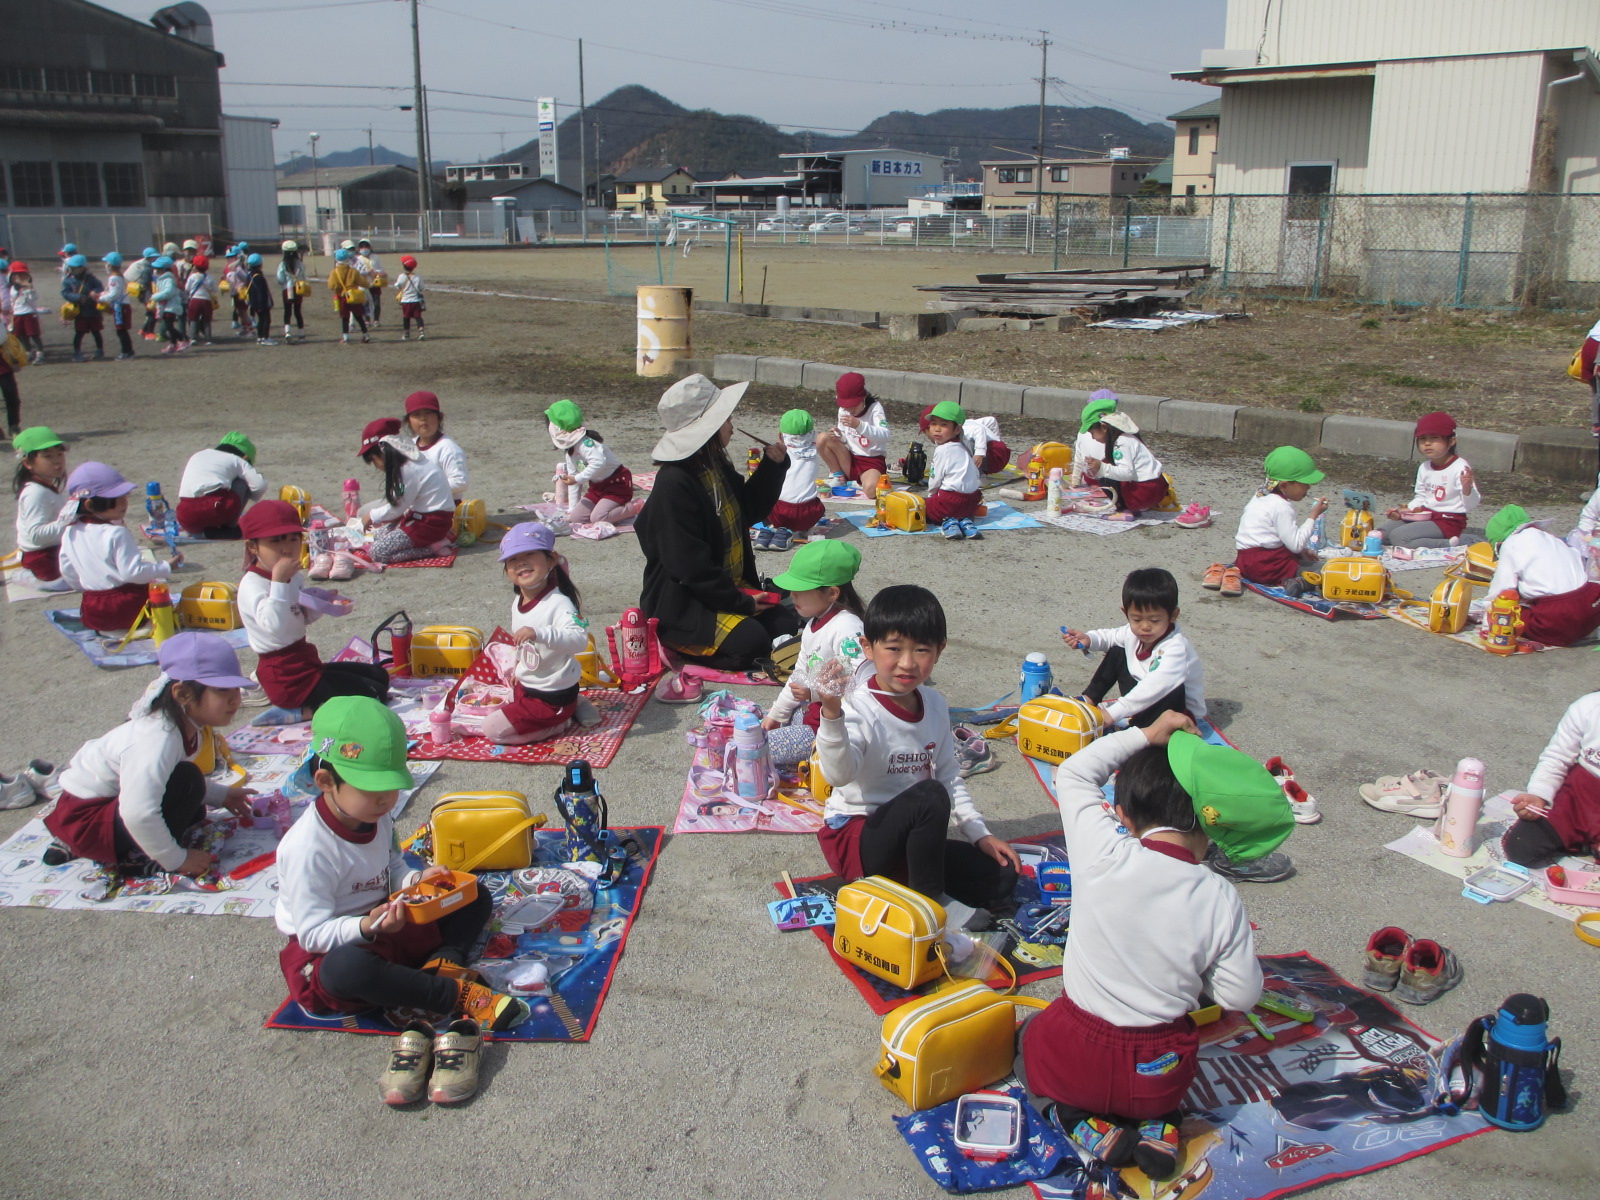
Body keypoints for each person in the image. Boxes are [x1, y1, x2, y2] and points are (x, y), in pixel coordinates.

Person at [1019, 710, 1287, 1179]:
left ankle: (1077, 1120)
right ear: (1210, 828)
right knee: (1159, 1075)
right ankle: (1161, 1124)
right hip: (1159, 1071)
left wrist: (1145, 733)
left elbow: (1075, 772)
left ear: (1121, 816)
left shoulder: (1104, 851)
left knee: (1025, 1043)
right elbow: (1241, 997)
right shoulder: (1220, 895)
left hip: (1076, 1053)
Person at [274, 697, 529, 1107]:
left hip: (388, 918)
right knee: (346, 969)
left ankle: (442, 961)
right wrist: (366, 926)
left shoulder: (375, 816)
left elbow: (391, 864)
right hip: (335, 945)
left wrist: (416, 879)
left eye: (392, 788)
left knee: (473, 894)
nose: (386, 800)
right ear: (326, 782)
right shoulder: (308, 849)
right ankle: (451, 994)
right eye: (372, 790)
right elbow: (313, 932)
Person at [813, 584, 1021, 947]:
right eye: (894, 649)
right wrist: (831, 714)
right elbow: (838, 775)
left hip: (912, 840)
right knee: (928, 796)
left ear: (939, 651)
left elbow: (950, 775)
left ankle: (903, 888)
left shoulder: (935, 704)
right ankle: (929, 904)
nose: (907, 663)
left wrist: (979, 833)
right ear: (868, 648)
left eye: (921, 650)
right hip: (858, 838)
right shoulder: (860, 707)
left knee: (1001, 876)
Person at [635, 374, 799, 699]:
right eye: (726, 420)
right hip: (687, 603)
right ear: (707, 428)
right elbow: (689, 566)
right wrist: (741, 603)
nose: (733, 426)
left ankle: (735, 629)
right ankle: (676, 646)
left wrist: (772, 466)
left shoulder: (713, 467)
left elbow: (746, 509)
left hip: (725, 590)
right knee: (752, 641)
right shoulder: (674, 485)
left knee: (784, 622)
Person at [42, 631, 255, 876]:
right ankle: (132, 857)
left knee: (192, 794)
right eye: (222, 690)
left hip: (105, 807)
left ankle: (106, 845)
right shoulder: (158, 738)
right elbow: (137, 813)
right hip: (86, 820)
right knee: (186, 783)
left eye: (236, 689)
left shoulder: (185, 724)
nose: (235, 700)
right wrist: (177, 859)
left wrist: (224, 795)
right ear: (183, 694)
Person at [237, 500, 391, 722]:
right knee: (373, 695)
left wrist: (321, 603)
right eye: (275, 541)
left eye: (293, 539)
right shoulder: (253, 584)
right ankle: (298, 712)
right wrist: (279, 581)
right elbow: (275, 627)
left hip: (305, 662)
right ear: (253, 547)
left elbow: (298, 617)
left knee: (380, 677)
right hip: (284, 676)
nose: (286, 548)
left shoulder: (291, 577)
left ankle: (311, 704)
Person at [1061, 567, 1207, 730]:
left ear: (1173, 615)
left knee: (1170, 687)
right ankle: (1089, 699)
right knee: (1118, 650)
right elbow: (1110, 636)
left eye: (1154, 620)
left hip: (1177, 712)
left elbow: (1154, 687)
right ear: (1126, 613)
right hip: (1143, 699)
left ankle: (1139, 728)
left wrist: (1111, 715)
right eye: (1137, 619)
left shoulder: (1176, 647)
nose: (1145, 627)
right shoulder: (1133, 633)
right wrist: (1088, 639)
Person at [760, 540, 865, 764]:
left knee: (756, 750)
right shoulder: (813, 624)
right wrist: (776, 715)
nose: (792, 594)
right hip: (816, 714)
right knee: (764, 726)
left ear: (831, 593)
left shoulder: (848, 628)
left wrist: (814, 693)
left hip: (839, 730)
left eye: (800, 589)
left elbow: (862, 682)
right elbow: (800, 673)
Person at [487, 521, 589, 745]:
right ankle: (574, 707)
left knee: (492, 730)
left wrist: (539, 633)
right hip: (531, 685)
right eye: (512, 559)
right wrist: (518, 666)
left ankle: (561, 722)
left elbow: (579, 640)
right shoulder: (517, 602)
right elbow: (523, 644)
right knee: (508, 697)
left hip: (553, 695)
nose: (521, 563)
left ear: (551, 559)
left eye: (530, 554)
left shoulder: (559, 603)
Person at [58, 461, 172, 632]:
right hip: (127, 609)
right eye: (116, 499)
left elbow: (67, 569)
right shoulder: (116, 533)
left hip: (93, 612)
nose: (124, 503)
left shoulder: (70, 531)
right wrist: (166, 566)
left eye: (124, 497)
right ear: (89, 505)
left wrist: (88, 587)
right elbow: (132, 573)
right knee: (155, 589)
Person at [1481, 503, 1600, 647]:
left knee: (1514, 618)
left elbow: (1500, 591)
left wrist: (1488, 621)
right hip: (1589, 603)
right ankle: (1588, 629)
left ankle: (1568, 632)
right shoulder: (1553, 540)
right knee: (1590, 594)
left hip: (1557, 614)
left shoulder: (1511, 544)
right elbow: (1577, 562)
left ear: (1499, 544)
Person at [1504, 690, 1600, 867]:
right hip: (1575, 800)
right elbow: (1557, 758)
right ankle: (1581, 843)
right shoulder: (1588, 707)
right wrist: (1538, 795)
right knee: (1521, 847)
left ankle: (1587, 845)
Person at [1222, 446, 1330, 597]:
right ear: (1285, 485)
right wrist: (1314, 515)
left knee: (1304, 560)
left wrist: (1303, 553)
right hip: (1268, 566)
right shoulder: (1281, 506)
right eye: (1304, 483)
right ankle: (1300, 583)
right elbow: (1296, 544)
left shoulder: (1261, 494)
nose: (1309, 487)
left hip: (1244, 562)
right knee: (1327, 569)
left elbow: (1275, 537)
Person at [357, 417, 456, 563]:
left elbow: (397, 507)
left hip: (430, 524)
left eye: (374, 460)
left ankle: (433, 547)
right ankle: (432, 543)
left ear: (384, 452)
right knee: (378, 535)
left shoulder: (407, 470)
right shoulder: (409, 465)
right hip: (420, 518)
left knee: (378, 552)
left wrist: (371, 516)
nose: (377, 466)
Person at [1379, 412, 1480, 548]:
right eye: (1422, 439)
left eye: (1434, 438)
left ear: (1451, 441)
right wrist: (1402, 511)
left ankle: (1447, 543)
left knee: (1399, 538)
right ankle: (1419, 540)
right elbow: (1421, 497)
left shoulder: (1460, 467)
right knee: (1380, 534)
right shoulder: (1424, 467)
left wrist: (1467, 488)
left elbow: (1470, 505)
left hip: (1448, 521)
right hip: (1424, 516)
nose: (1427, 443)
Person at [546, 398, 638, 530]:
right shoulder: (571, 452)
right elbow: (573, 479)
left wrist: (576, 478)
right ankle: (606, 505)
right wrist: (572, 507)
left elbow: (598, 463)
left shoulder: (587, 444)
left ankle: (633, 507)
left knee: (598, 517)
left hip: (617, 485)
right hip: (597, 487)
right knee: (577, 517)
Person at [12, 426, 74, 588]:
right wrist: (73, 521)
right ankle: (31, 578)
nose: (57, 460)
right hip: (43, 558)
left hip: (52, 550)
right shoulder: (35, 493)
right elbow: (36, 535)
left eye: (59, 454)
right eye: (47, 456)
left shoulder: (43, 488)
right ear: (27, 463)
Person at [176, 431, 268, 537]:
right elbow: (259, 486)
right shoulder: (237, 460)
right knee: (243, 483)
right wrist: (251, 495)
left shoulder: (198, 455)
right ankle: (228, 528)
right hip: (218, 509)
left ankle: (202, 533)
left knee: (194, 515)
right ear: (245, 457)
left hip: (185, 514)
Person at [761, 408, 825, 550]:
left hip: (781, 514)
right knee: (818, 503)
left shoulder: (779, 455)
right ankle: (804, 529)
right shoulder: (813, 455)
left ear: (781, 436)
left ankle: (778, 530)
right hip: (808, 514)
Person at [816, 371, 888, 495]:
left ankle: (858, 483)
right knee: (822, 438)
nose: (849, 410)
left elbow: (885, 435)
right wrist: (839, 436)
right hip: (850, 458)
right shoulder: (843, 410)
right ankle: (839, 477)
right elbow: (845, 439)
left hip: (872, 461)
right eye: (846, 406)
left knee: (871, 491)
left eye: (853, 406)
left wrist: (859, 426)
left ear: (863, 397)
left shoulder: (875, 408)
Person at [923, 400, 984, 539]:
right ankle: (963, 520)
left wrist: (932, 498)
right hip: (972, 503)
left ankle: (948, 521)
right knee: (957, 508)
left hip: (950, 502)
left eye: (943, 425)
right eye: (933, 424)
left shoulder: (943, 449)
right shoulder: (964, 447)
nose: (937, 429)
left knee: (921, 506)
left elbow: (935, 478)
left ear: (957, 429)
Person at [1085, 410, 1166, 514]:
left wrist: (1101, 467)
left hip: (1143, 493)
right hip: (1158, 489)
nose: (1093, 438)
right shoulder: (1129, 437)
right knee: (1106, 463)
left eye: (1093, 433)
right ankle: (1141, 506)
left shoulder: (1121, 443)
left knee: (1104, 475)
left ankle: (1124, 509)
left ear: (1104, 428)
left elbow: (1126, 473)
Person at [404, 391, 468, 501]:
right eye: (416, 415)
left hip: (444, 509)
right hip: (416, 506)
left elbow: (460, 482)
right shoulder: (408, 446)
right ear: (408, 421)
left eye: (428, 413)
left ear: (440, 417)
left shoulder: (448, 448)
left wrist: (424, 490)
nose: (423, 418)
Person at [60, 253, 105, 363]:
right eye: (72, 267)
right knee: (79, 333)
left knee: (96, 331)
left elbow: (100, 288)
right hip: (80, 311)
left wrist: (95, 292)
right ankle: (77, 353)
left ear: (83, 267)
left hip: (93, 310)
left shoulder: (91, 279)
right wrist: (78, 297)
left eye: (76, 267)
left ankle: (99, 350)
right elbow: (65, 293)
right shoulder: (68, 280)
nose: (73, 269)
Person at [1070, 390, 1119, 486]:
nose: (1093, 437)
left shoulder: (1083, 431)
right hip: (1110, 479)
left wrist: (1075, 482)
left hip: (1091, 478)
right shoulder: (1115, 433)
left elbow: (1078, 460)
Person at [328, 248, 371, 344]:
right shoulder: (353, 271)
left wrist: (338, 288)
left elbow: (331, 285)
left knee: (345, 317)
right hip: (354, 295)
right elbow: (363, 282)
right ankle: (365, 334)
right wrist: (368, 284)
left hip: (342, 296)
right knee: (359, 316)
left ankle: (346, 337)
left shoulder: (335, 272)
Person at [7, 262, 44, 364]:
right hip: (17, 314)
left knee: (33, 334)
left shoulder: (29, 288)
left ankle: (40, 353)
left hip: (29, 313)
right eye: (17, 274)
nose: (20, 276)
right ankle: (28, 351)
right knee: (20, 335)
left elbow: (33, 299)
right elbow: (12, 300)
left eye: (23, 274)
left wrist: (28, 288)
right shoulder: (12, 289)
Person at [150, 256, 189, 355]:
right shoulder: (161, 279)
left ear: (163, 269)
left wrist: (155, 296)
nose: (155, 271)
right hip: (166, 306)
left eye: (158, 269)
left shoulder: (169, 279)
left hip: (171, 306)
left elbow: (169, 292)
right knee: (168, 325)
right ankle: (173, 344)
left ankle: (182, 340)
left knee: (168, 326)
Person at [183, 253, 217, 344]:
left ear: (195, 266)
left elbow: (187, 288)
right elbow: (215, 289)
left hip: (195, 300)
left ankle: (193, 338)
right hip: (207, 300)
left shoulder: (192, 276)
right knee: (207, 320)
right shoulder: (210, 277)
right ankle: (208, 339)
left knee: (193, 319)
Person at [277, 240, 307, 341]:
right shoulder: (300, 263)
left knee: (287, 311)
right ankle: (301, 334)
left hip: (287, 290)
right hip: (298, 289)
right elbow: (303, 277)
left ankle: (288, 332)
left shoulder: (282, 265)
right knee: (298, 311)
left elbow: (280, 279)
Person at [244, 253, 274, 346]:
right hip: (261, 303)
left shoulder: (249, 275)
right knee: (266, 320)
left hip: (254, 302)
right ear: (259, 265)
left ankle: (260, 338)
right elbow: (262, 292)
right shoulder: (259, 277)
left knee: (260, 320)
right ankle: (265, 337)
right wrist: (264, 304)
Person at [395, 254, 425, 339]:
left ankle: (406, 333)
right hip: (416, 300)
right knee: (418, 316)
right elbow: (421, 287)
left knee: (406, 317)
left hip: (406, 301)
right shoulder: (418, 277)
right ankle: (421, 331)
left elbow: (398, 286)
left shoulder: (401, 276)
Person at [357, 238, 386, 326]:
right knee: (365, 302)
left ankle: (376, 319)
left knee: (376, 302)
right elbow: (356, 271)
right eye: (361, 247)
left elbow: (381, 268)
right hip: (364, 283)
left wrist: (377, 272)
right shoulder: (358, 259)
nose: (364, 249)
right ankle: (367, 319)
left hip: (375, 282)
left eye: (366, 246)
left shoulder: (375, 257)